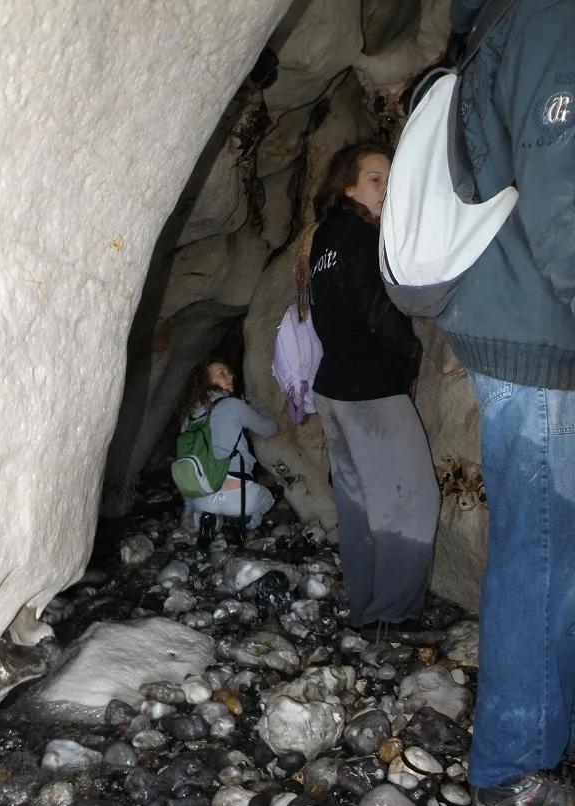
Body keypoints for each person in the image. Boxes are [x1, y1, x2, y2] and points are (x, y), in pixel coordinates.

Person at [435, 0, 575, 806]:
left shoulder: (492, 24)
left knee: (547, 550)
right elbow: (563, 188)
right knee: (545, 554)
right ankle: (513, 770)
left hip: (510, 325)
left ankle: (536, 747)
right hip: (539, 337)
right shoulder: (553, 15)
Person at [296, 142, 440, 633]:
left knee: (358, 504)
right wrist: (410, 355)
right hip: (371, 387)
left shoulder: (323, 241)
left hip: (334, 387)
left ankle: (366, 609)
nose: (387, 188)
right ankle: (393, 614)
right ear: (348, 186)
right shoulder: (362, 237)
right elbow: (378, 312)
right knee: (411, 500)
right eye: (377, 178)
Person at [176, 361, 278, 534]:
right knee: (267, 498)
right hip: (241, 497)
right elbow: (269, 430)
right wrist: (258, 406)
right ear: (204, 380)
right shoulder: (233, 405)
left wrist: (189, 510)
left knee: (207, 508)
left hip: (202, 499)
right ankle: (247, 522)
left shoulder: (189, 418)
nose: (230, 376)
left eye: (230, 373)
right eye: (221, 372)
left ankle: (209, 521)